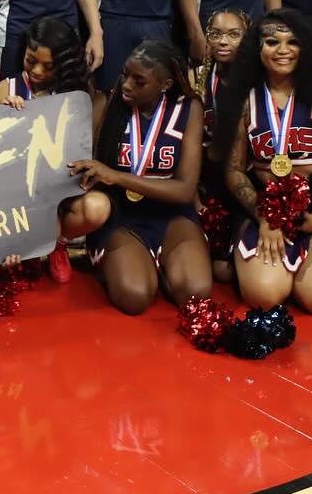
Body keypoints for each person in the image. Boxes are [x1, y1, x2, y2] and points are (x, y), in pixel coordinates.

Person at [220, 10, 312, 313]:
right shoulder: (243, 99)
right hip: (267, 207)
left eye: (293, 42)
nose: (283, 50)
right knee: (264, 296)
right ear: (256, 48)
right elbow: (234, 169)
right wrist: (264, 215)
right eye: (272, 42)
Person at [65, 40, 209, 315]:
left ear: (165, 84)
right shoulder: (106, 103)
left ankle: (160, 264)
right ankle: (133, 263)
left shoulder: (189, 109)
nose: (127, 85)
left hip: (171, 214)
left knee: (195, 294)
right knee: (135, 297)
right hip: (121, 214)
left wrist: (117, 176)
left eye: (139, 81)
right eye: (125, 75)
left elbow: (184, 190)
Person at [193, 7, 249, 283]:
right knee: (215, 270)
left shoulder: (258, 81)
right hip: (203, 176)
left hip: (244, 176)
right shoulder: (194, 78)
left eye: (233, 34)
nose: (223, 41)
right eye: (215, 34)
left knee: (226, 272)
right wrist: (195, 200)